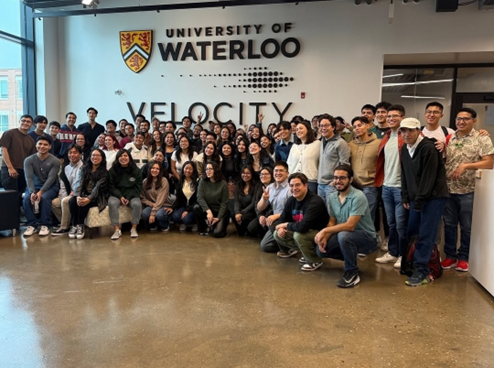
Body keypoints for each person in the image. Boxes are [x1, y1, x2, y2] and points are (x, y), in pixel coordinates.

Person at [441, 108, 494, 272]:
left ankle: (464, 257)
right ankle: (450, 256)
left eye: (465, 119)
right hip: (449, 189)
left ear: (474, 120)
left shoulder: (482, 139)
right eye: (458, 118)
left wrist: (466, 166)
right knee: (449, 225)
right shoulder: (450, 137)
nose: (461, 122)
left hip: (469, 191)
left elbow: (489, 163)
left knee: (467, 226)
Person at [399, 118, 449, 286]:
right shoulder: (405, 149)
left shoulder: (428, 148)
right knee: (412, 231)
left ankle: (423, 270)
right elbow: (405, 174)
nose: (406, 134)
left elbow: (429, 178)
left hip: (433, 197)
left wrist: (419, 201)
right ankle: (412, 263)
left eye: (410, 130)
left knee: (426, 234)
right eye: (403, 131)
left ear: (418, 131)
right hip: (416, 197)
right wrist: (406, 196)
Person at [315, 164, 378, 288]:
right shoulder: (333, 197)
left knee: (344, 236)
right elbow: (332, 221)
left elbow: (350, 226)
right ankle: (350, 256)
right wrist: (326, 237)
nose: (338, 181)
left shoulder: (358, 196)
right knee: (321, 250)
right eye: (336, 178)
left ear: (350, 179)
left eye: (342, 178)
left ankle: (352, 273)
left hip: (367, 239)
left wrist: (324, 230)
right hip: (347, 237)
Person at [374, 104, 408, 269]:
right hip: (386, 186)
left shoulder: (408, 135)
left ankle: (403, 254)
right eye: (389, 116)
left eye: (395, 116)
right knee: (391, 223)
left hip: (401, 188)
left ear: (403, 118)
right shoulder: (387, 136)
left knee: (401, 224)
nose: (391, 119)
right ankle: (393, 252)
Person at [273, 173, 329, 271]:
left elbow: (303, 227)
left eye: (298, 185)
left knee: (299, 235)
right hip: (303, 230)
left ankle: (315, 260)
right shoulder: (291, 200)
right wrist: (280, 227)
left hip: (319, 233)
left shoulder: (315, 202)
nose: (294, 188)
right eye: (291, 185)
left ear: (306, 185)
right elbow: (282, 218)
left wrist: (285, 225)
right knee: (277, 234)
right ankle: (306, 253)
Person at [23, 137, 61, 237]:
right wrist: (32, 192)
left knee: (44, 198)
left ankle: (45, 225)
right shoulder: (28, 160)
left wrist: (41, 192)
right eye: (40, 144)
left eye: (45, 145)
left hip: (51, 187)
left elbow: (51, 178)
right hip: (34, 186)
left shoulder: (55, 161)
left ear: (49, 147)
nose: (42, 146)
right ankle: (32, 225)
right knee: (26, 199)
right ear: (36, 146)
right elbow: (29, 177)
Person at [68, 148, 109, 239]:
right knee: (72, 201)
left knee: (84, 204)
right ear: (90, 157)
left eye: (98, 155)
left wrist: (89, 198)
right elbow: (79, 182)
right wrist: (78, 196)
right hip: (83, 193)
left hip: (98, 197)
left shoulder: (105, 173)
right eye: (93, 155)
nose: (95, 157)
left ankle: (80, 225)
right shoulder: (84, 168)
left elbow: (97, 188)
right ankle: (74, 225)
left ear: (102, 158)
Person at [348, 116, 380, 223]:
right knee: (353, 216)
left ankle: (370, 237)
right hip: (354, 187)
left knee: (368, 217)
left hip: (370, 186)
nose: (357, 128)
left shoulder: (378, 143)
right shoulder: (350, 144)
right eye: (354, 126)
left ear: (367, 126)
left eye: (360, 125)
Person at [257, 161, 292, 252]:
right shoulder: (270, 187)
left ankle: (288, 248)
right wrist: (264, 199)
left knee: (272, 221)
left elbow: (293, 211)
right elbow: (259, 208)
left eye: (281, 171)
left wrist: (275, 216)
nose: (278, 173)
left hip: (289, 220)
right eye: (276, 171)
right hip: (276, 222)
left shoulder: (290, 188)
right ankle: (288, 243)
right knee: (265, 246)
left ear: (287, 173)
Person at [108, 150, 143, 240]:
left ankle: (134, 228)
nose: (123, 158)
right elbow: (111, 186)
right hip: (117, 194)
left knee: (137, 204)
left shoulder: (136, 170)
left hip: (131, 194)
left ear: (130, 158)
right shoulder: (113, 170)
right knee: (112, 203)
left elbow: (138, 187)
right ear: (117, 158)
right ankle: (116, 230)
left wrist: (128, 197)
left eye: (125, 156)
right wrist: (120, 197)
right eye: (121, 156)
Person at [0, 115, 36, 201]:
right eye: (23, 120)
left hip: (23, 171)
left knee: (20, 197)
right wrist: (10, 168)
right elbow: (4, 150)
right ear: (19, 121)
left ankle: (19, 214)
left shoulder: (30, 140)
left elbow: (31, 158)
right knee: (10, 197)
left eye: (28, 121)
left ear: (31, 125)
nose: (25, 123)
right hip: (9, 170)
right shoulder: (9, 133)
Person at [317, 113, 350, 204]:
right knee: (321, 212)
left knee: (333, 214)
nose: (323, 128)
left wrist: (334, 182)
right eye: (321, 126)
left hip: (332, 185)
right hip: (320, 183)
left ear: (333, 127)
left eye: (326, 125)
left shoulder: (340, 143)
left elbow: (345, 165)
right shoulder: (321, 141)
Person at [51, 144, 84, 235]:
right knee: (54, 203)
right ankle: (70, 223)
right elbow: (63, 185)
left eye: (75, 153)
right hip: (69, 193)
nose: (72, 155)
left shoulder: (84, 167)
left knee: (65, 201)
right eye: (70, 152)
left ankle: (64, 227)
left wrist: (74, 194)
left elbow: (83, 183)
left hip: (80, 194)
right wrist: (64, 195)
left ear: (80, 155)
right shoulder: (66, 168)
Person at [194, 161, 229, 238]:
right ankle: (203, 228)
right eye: (206, 169)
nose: (208, 171)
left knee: (217, 234)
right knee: (196, 207)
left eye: (210, 169)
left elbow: (224, 203)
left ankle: (217, 225)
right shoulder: (202, 181)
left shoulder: (223, 184)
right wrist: (208, 211)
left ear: (216, 170)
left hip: (219, 211)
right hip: (208, 210)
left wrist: (218, 217)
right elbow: (200, 197)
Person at [287, 120, 320, 193]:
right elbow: (289, 163)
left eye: (301, 128)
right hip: (294, 182)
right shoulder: (294, 146)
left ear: (308, 129)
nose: (298, 131)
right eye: (297, 129)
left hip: (310, 181)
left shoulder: (317, 144)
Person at [140, 161, 172, 232]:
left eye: (157, 169)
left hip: (164, 205)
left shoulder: (164, 181)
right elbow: (142, 198)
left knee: (159, 214)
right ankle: (153, 226)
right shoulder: (145, 182)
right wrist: (151, 204)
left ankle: (165, 226)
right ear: (149, 169)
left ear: (160, 171)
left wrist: (153, 213)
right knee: (145, 213)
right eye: (153, 168)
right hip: (152, 205)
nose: (155, 170)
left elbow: (161, 198)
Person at [247, 166, 274, 237]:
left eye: (266, 174)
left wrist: (266, 217)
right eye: (261, 174)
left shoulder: (275, 187)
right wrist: (260, 216)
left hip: (272, 215)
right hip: (262, 213)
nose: (263, 176)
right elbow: (256, 204)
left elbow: (274, 207)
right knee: (251, 227)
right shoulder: (259, 187)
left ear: (272, 175)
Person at [172, 161, 199, 231]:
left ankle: (195, 223)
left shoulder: (198, 181)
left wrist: (187, 210)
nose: (187, 171)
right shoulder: (180, 181)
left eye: (190, 169)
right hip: (183, 206)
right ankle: (184, 222)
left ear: (194, 170)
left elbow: (198, 199)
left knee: (187, 219)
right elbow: (178, 199)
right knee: (175, 216)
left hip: (193, 207)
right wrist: (172, 208)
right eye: (186, 168)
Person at [232, 165, 259, 236]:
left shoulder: (256, 185)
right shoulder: (238, 185)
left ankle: (249, 231)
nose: (245, 175)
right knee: (233, 214)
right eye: (243, 173)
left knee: (243, 217)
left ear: (252, 174)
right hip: (241, 210)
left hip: (251, 211)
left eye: (248, 173)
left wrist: (241, 213)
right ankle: (242, 232)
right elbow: (236, 201)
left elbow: (253, 203)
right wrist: (237, 212)